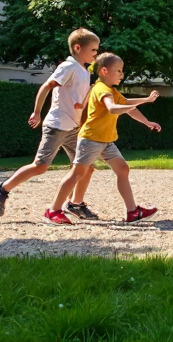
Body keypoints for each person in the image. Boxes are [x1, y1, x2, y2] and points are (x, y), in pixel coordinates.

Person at [0, 28, 98, 218]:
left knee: (86, 167)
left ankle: (75, 204)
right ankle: (2, 189)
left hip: (72, 128)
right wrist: (37, 112)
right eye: (93, 50)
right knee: (40, 166)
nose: (96, 53)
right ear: (78, 48)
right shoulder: (69, 66)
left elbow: (77, 101)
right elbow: (47, 86)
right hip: (56, 125)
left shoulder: (84, 70)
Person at [44, 52, 161, 225]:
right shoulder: (102, 90)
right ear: (105, 71)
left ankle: (133, 212)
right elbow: (113, 108)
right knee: (77, 174)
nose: (122, 74)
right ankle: (53, 211)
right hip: (91, 140)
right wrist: (142, 102)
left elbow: (127, 105)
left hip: (105, 141)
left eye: (122, 70)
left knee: (122, 169)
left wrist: (146, 119)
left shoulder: (111, 90)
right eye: (119, 70)